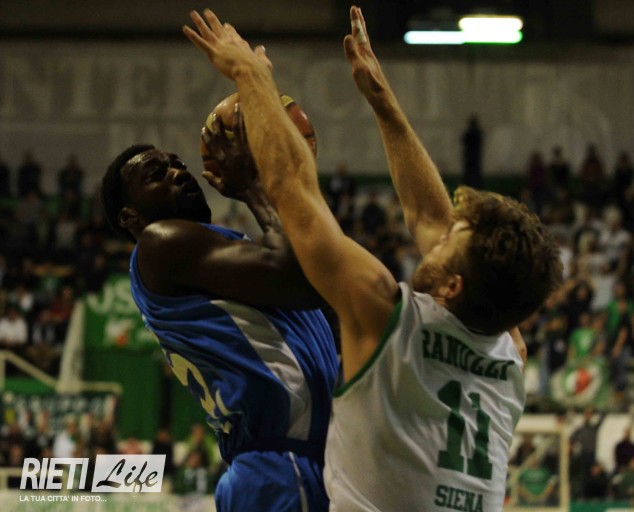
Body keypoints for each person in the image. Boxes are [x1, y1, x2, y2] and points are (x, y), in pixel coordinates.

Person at [183, 6, 563, 510]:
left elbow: (291, 187)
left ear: (452, 286)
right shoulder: (510, 351)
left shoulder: (386, 319)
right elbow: (430, 217)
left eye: (451, 241)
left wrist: (250, 76)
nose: (439, 235)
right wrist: (383, 102)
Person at [99, 95, 338, 510]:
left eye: (178, 164)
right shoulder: (160, 243)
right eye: (157, 174)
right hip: (280, 466)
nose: (178, 172)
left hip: (302, 460)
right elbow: (300, 276)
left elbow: (320, 285)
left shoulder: (217, 256)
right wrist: (258, 187)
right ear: (128, 217)